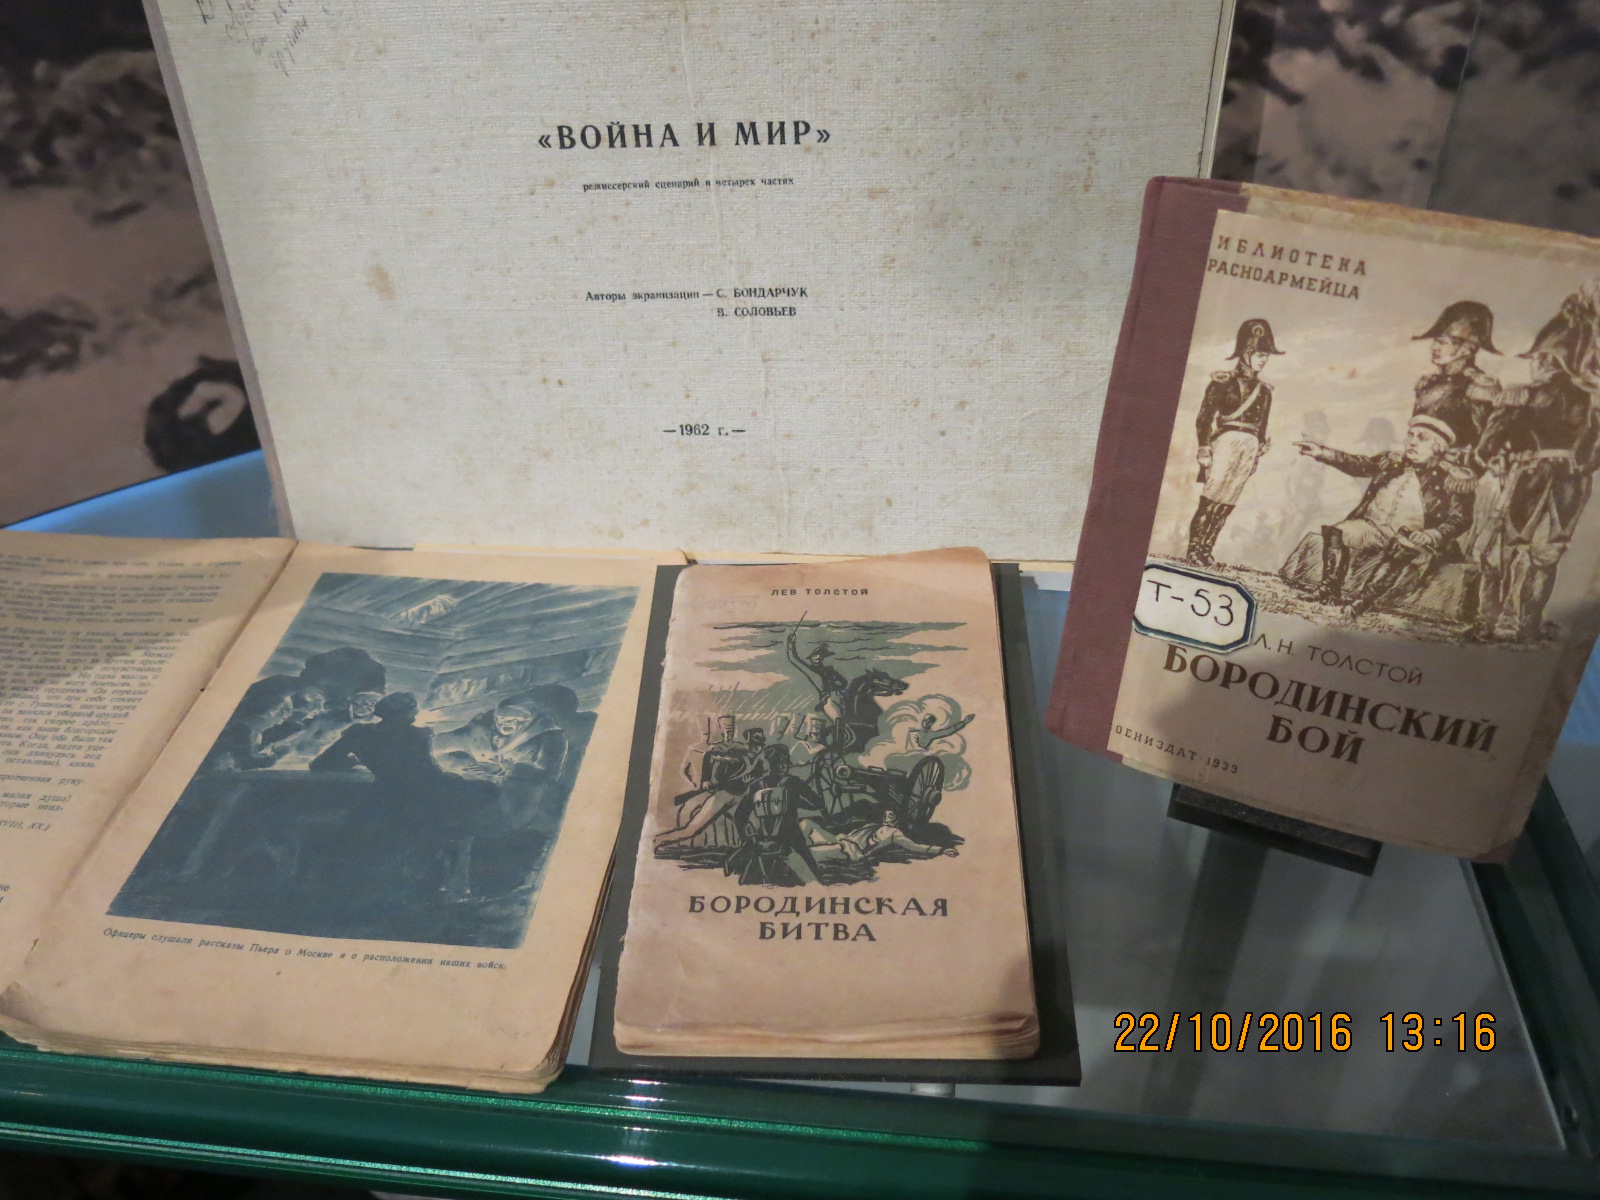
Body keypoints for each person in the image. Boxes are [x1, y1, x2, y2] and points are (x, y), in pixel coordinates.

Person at [1473, 281, 1600, 641]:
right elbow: (1594, 451)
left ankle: (1493, 622)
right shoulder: (1592, 403)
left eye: (1538, 359)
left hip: (1529, 478)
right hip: (1571, 486)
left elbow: (1486, 446)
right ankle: (1525, 625)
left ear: (1548, 360)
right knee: (1546, 554)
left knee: (1509, 548)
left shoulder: (1523, 395)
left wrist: (1494, 454)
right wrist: (1579, 464)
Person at [1283, 416, 1473, 614]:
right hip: (1373, 529)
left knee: (1402, 547)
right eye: (1411, 435)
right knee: (1336, 532)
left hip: (1414, 538)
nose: (1412, 442)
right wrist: (1321, 452)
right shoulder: (1391, 461)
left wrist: (1432, 534)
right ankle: (1329, 590)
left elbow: (1462, 518)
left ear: (1438, 447)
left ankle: (1363, 601)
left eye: (1422, 438)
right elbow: (1358, 464)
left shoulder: (1451, 478)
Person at [1188, 318, 1283, 567]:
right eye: (1259, 354)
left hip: (1249, 447)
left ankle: (1207, 550)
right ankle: (1194, 550)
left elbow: (1262, 428)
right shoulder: (1223, 382)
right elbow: (1204, 419)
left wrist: (1258, 452)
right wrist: (1204, 447)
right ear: (1245, 352)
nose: (1264, 360)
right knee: (1212, 496)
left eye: (1266, 355)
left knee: (1228, 500)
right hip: (1226, 443)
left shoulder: (1264, 391)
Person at [1409, 301, 1502, 453]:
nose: (1434, 347)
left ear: (1468, 349)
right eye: (1435, 341)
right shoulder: (1427, 383)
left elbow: (1486, 443)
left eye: (1443, 343)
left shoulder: (1479, 387)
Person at [799, 807, 957, 867]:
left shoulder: (893, 833)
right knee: (806, 823)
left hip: (849, 851)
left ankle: (795, 855)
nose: (886, 817)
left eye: (890, 816)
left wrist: (941, 850)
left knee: (809, 853)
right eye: (885, 814)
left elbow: (914, 846)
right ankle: (794, 847)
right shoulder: (872, 825)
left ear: (896, 820)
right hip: (840, 840)